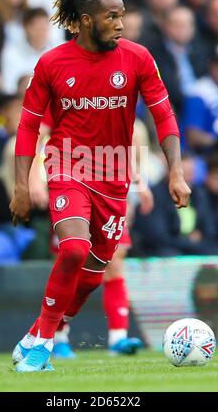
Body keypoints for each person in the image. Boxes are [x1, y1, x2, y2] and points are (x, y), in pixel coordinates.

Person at [9, 0, 191, 373]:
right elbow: (27, 127)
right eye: (113, 16)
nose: (121, 24)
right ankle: (42, 347)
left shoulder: (138, 58)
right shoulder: (52, 63)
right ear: (86, 21)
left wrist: (175, 172)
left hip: (115, 177)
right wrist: (23, 185)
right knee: (73, 249)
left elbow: (164, 116)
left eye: (122, 15)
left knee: (92, 277)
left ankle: (35, 332)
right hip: (66, 168)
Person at [14, 111, 154, 359]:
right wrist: (34, 178)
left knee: (114, 261)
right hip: (70, 183)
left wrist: (137, 181)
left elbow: (122, 141)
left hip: (109, 186)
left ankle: (118, 337)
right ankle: (55, 336)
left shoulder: (114, 91)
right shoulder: (62, 85)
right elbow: (39, 133)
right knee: (73, 259)